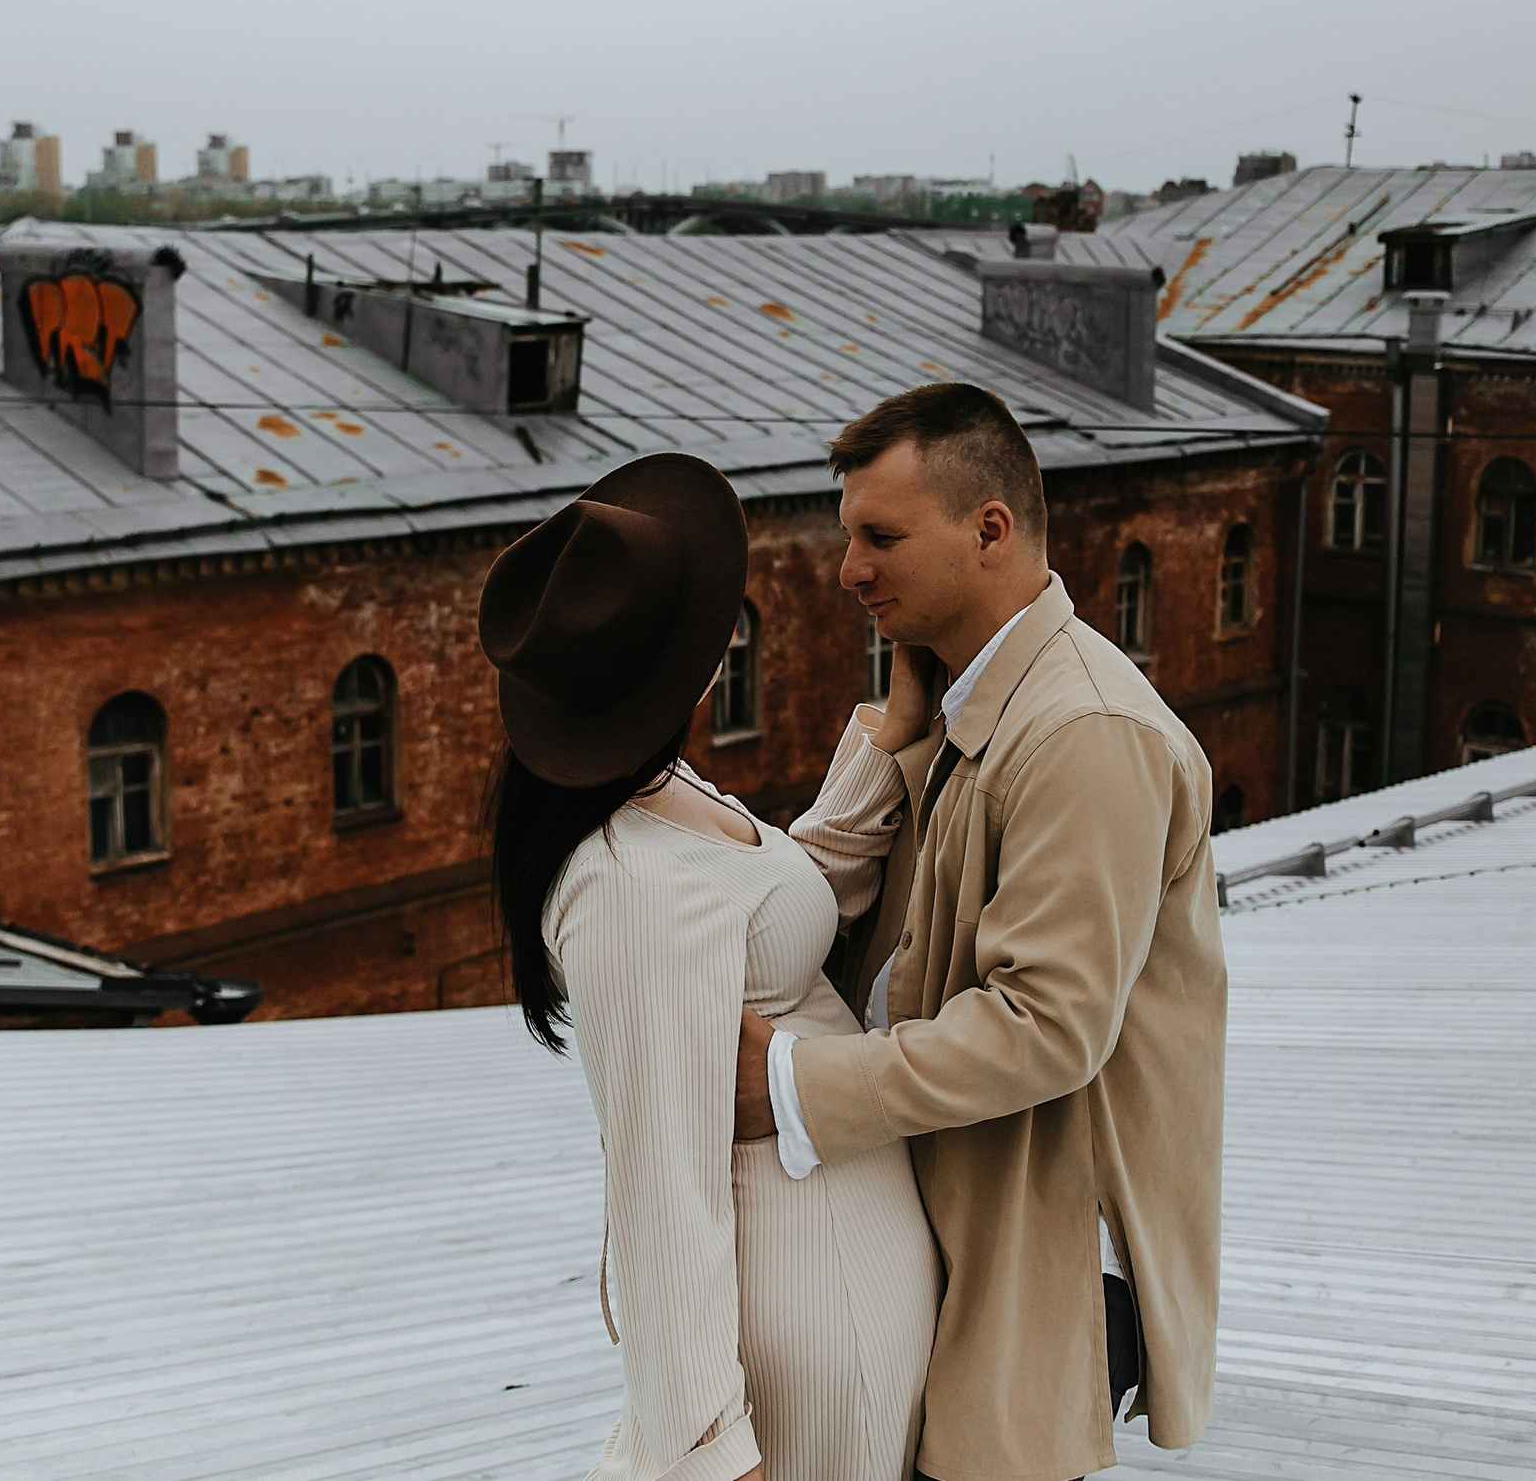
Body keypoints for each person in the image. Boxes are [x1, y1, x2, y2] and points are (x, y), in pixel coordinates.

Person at [735, 383, 1226, 1481]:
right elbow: (810, 909)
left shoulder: (1084, 732)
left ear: (989, 530)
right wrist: (893, 740)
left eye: (880, 537)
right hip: (969, 1224)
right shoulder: (964, 704)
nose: (849, 568)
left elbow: (1047, 1025)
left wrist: (792, 1086)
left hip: (1039, 1270)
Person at [479, 452, 940, 1481]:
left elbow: (770, 907)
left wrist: (888, 738)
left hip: (842, 1292)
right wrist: (710, 1453)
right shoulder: (624, 882)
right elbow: (660, 1193)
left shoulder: (659, 788)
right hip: (803, 1330)